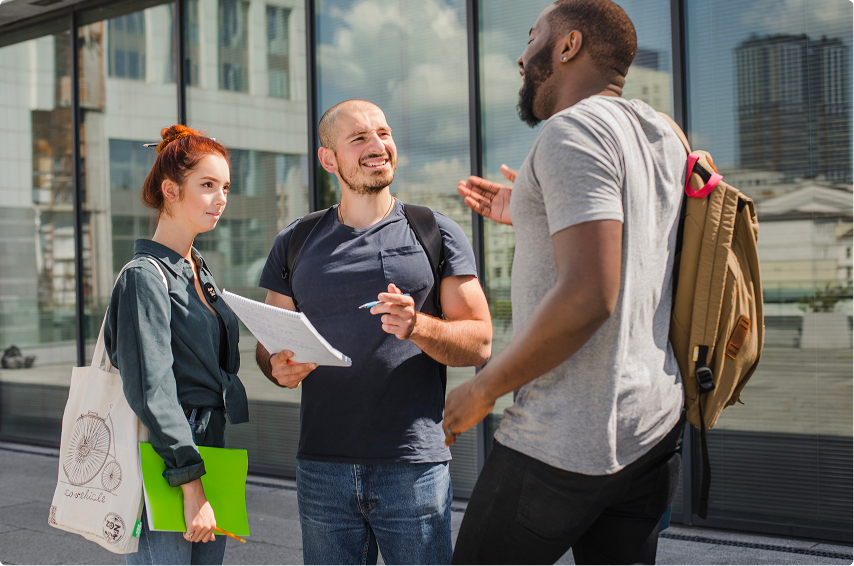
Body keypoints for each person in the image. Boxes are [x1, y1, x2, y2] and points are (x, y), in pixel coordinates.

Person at [445, 1, 686, 564]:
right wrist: (533, 211)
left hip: (564, 439)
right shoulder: (663, 135)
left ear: (568, 45)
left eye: (532, 38)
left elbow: (588, 298)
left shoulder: (571, 132)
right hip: (652, 432)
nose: (522, 57)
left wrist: (482, 391)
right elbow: (637, 244)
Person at [255, 99, 492, 566]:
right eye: (359, 137)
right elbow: (268, 345)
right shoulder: (295, 241)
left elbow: (480, 341)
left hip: (413, 468)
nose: (377, 146)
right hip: (322, 468)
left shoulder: (434, 232)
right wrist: (276, 366)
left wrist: (418, 327)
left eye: (383, 134)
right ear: (329, 160)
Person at [104, 125, 249, 566]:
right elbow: (153, 390)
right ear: (170, 189)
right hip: (169, 458)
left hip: (210, 449)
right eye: (207, 185)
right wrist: (191, 484)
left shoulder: (199, 271)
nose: (220, 198)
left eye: (225, 186)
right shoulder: (144, 276)